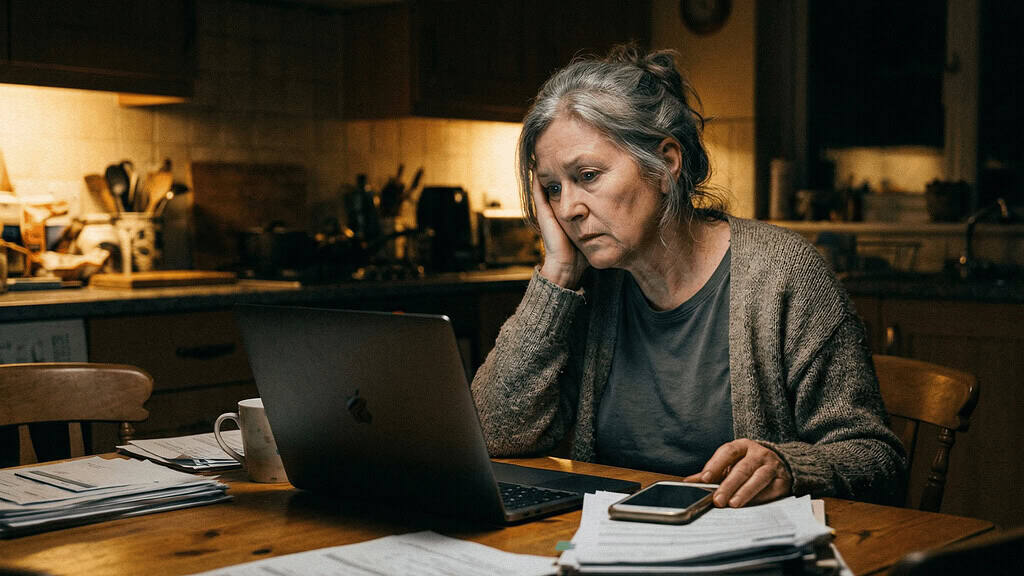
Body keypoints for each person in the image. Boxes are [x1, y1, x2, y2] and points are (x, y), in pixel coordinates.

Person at [470, 44, 907, 508]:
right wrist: (556, 274)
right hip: (616, 544)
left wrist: (790, 466)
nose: (569, 209)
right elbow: (494, 433)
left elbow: (877, 460)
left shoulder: (783, 274)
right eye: (553, 188)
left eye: (589, 175)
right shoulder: (587, 288)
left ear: (666, 164)